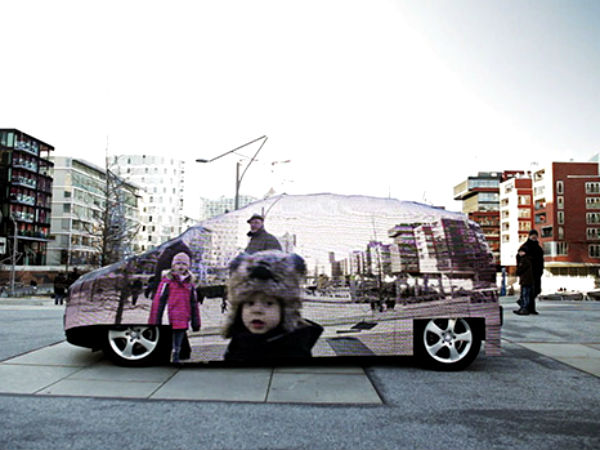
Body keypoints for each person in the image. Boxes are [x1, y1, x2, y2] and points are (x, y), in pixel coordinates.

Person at [222, 250, 323, 362]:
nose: (257, 310)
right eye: (250, 303)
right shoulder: (239, 342)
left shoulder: (293, 351)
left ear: (286, 310)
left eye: (269, 303)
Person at [148, 252, 200, 363]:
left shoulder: (190, 284)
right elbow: (159, 302)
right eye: (178, 263)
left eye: (184, 264)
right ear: (173, 265)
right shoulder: (167, 282)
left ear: (188, 266)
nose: (181, 266)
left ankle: (176, 361)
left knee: (177, 348)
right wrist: (155, 321)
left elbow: (194, 304)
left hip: (182, 320)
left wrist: (196, 322)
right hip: (169, 319)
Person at [517, 229, 544, 314]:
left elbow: (541, 261)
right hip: (527, 273)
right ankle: (525, 307)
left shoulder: (538, 248)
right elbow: (520, 258)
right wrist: (519, 270)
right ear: (529, 236)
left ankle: (529, 307)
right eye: (532, 235)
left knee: (535, 290)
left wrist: (541, 270)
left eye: (535, 236)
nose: (534, 237)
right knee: (526, 291)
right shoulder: (525, 247)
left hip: (536, 272)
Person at [514, 248, 533, 315]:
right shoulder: (527, 259)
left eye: (521, 252)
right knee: (524, 295)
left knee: (525, 295)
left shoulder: (524, 260)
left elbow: (521, 269)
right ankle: (523, 308)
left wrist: (517, 272)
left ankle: (524, 309)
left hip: (525, 280)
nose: (519, 253)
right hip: (526, 280)